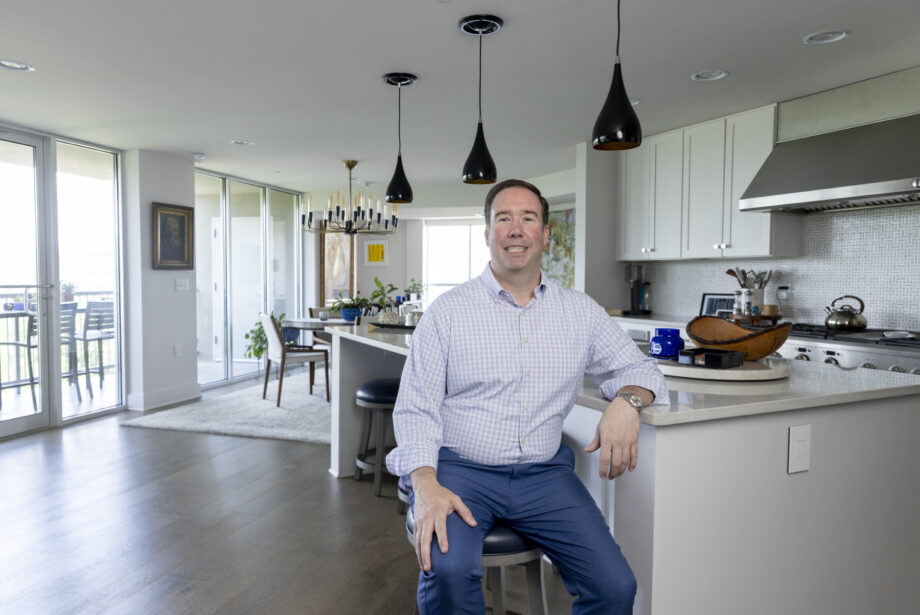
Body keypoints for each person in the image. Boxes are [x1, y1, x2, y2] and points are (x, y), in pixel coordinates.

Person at [386, 178, 668, 614]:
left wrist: (626, 403)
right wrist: (425, 483)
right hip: (461, 470)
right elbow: (415, 408)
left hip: (544, 476)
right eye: (504, 219)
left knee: (615, 586)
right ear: (487, 234)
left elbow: (641, 369)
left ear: (545, 234)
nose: (516, 229)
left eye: (528, 218)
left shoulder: (580, 312)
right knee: (448, 573)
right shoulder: (447, 312)